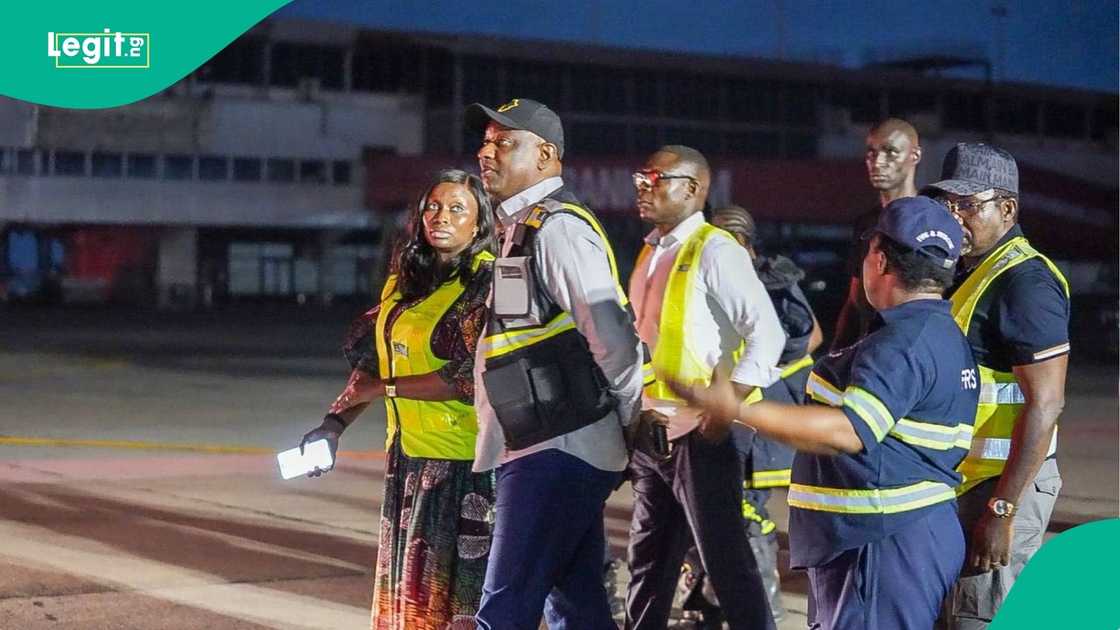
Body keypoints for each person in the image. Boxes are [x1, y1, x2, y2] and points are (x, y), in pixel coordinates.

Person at [671, 195, 980, 630]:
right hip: (891, 540)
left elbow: (846, 430)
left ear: (879, 259)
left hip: (880, 545)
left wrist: (736, 407)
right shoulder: (932, 332)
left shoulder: (903, 343)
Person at [465, 98, 645, 630]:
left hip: (559, 447)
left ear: (546, 155)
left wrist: (633, 415)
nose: (486, 153)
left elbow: (612, 336)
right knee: (577, 605)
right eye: (485, 141)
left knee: (505, 607)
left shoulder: (560, 228)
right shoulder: (519, 229)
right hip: (543, 441)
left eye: (504, 143)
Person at [298, 169, 497, 629]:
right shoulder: (404, 283)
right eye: (434, 207)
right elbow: (372, 363)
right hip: (408, 463)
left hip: (465, 469)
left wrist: (384, 389)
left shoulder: (487, 284)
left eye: (457, 209)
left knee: (459, 603)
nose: (441, 217)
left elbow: (466, 378)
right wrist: (333, 425)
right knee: (410, 602)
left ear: (478, 223)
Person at [625, 146, 784, 630]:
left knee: (725, 560)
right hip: (654, 430)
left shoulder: (716, 250)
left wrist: (724, 407)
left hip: (704, 434)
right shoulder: (652, 249)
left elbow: (769, 335)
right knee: (649, 558)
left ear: (692, 188)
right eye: (640, 177)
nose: (643, 186)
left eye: (655, 177)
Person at [926, 144, 1070, 630]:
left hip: (1002, 484)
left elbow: (1046, 405)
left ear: (1007, 208)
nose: (955, 217)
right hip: (963, 481)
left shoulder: (1025, 282)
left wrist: (1002, 511)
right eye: (946, 205)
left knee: (978, 619)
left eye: (968, 205)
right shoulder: (965, 273)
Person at [674, 205, 823, 626]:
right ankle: (705, 609)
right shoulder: (699, 277)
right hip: (722, 422)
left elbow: (807, 335)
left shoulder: (767, 283)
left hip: (753, 426)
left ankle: (761, 615)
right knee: (706, 518)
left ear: (748, 246)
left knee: (746, 519)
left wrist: (752, 373)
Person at [831, 118, 922, 351]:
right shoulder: (866, 223)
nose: (878, 162)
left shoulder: (932, 219)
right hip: (872, 350)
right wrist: (834, 358)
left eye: (890, 152)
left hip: (916, 349)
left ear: (915, 156)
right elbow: (855, 301)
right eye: (871, 153)